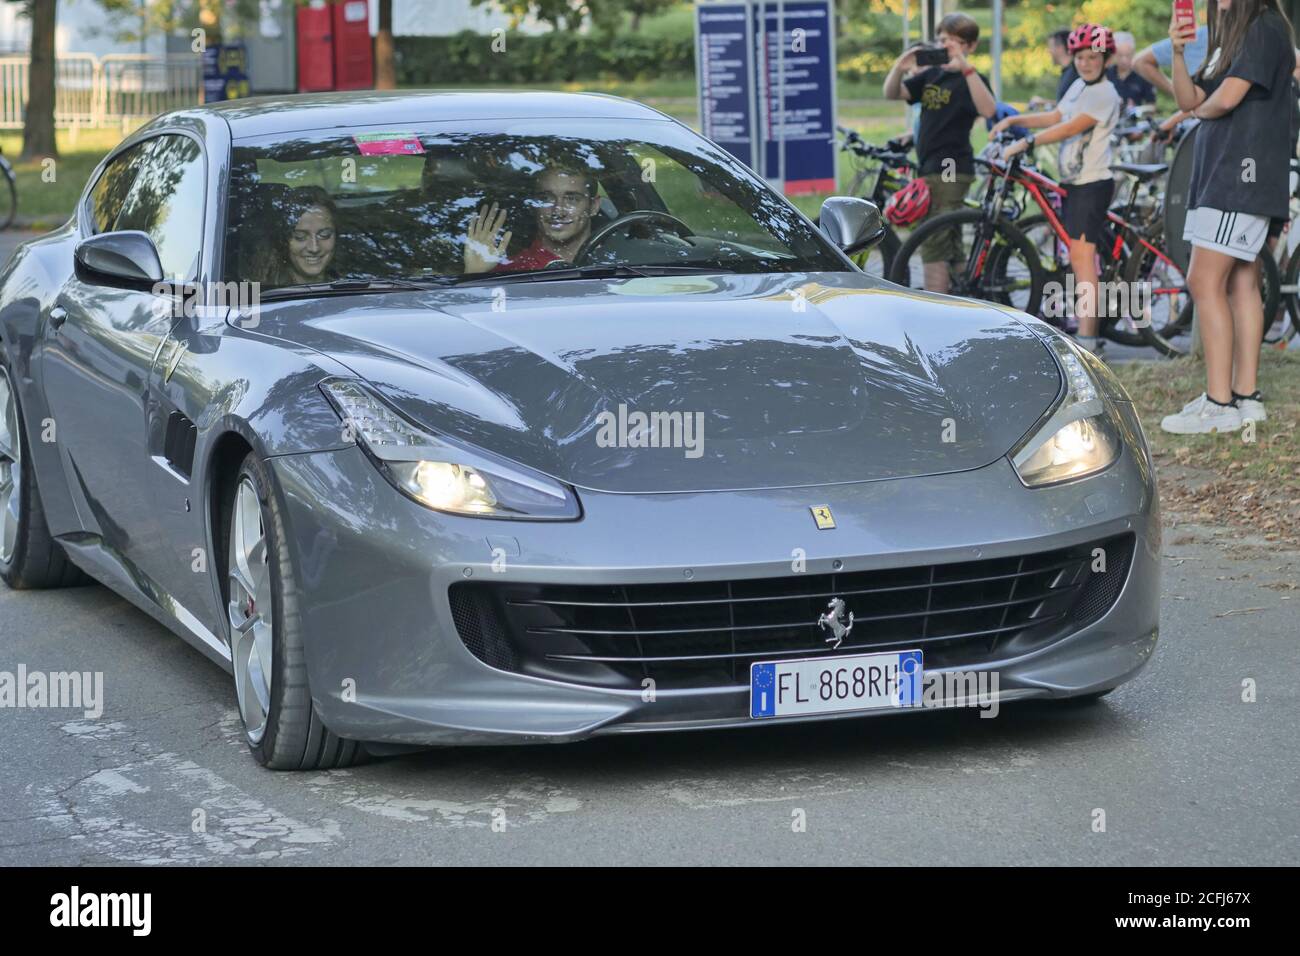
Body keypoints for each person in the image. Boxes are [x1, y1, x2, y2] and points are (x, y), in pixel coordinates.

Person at [1160, 0, 1296, 434]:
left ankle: (1219, 404)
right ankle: (1245, 397)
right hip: (1226, 175)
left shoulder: (1264, 26)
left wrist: (1198, 110)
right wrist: (1179, 52)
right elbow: (1190, 97)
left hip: (1239, 177)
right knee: (1241, 282)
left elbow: (1225, 99)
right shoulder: (1233, 34)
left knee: (1204, 280)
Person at [995, 24, 1122, 357]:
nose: (1085, 63)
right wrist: (1014, 120)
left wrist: (1026, 141)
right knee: (1080, 258)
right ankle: (1088, 333)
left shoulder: (1104, 93)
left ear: (1105, 58)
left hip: (1091, 185)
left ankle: (1089, 340)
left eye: (1092, 57)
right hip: (1074, 183)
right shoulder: (1080, 85)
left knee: (1083, 261)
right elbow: (1055, 115)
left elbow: (1070, 126)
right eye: (1080, 57)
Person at [882, 12, 997, 293]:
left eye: (952, 41)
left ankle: (937, 308)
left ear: (969, 46)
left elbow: (989, 110)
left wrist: (966, 68)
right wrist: (900, 66)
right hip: (930, 167)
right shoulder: (933, 75)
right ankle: (967, 294)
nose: (944, 45)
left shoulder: (971, 79)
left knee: (933, 241)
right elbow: (892, 93)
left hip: (951, 168)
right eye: (941, 39)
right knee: (950, 241)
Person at [463, 165, 602, 274]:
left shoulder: (617, 261)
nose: (558, 211)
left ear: (594, 206)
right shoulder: (513, 270)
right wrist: (474, 273)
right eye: (546, 199)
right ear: (533, 206)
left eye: (572, 199)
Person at [257, 186, 338, 287]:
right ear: (283, 240)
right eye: (300, 236)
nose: (314, 248)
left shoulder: (354, 286)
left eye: (324, 235)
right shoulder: (259, 296)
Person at [1030, 30, 1079, 108]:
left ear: (1060, 47)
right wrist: (1043, 102)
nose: (1048, 51)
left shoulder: (1075, 73)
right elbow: (1065, 104)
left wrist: (1043, 102)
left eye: (1050, 47)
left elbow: (1071, 107)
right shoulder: (1068, 72)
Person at [1109, 31, 1157, 108]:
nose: (1124, 60)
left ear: (1133, 53)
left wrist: (1137, 110)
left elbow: (1151, 105)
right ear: (1114, 54)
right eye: (1120, 55)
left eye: (1128, 55)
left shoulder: (1143, 75)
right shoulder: (1106, 74)